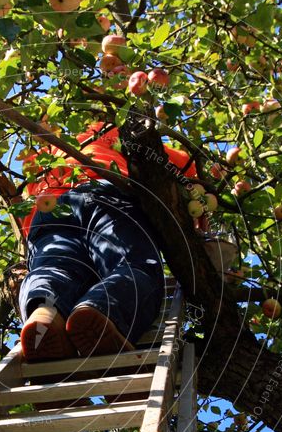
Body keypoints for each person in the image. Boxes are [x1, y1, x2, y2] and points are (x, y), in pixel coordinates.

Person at [15, 121, 197, 362]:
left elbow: (24, 213)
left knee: (56, 270)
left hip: (47, 211)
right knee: (133, 264)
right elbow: (185, 166)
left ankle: (45, 313)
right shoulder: (103, 130)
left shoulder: (40, 159)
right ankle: (102, 308)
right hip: (104, 192)